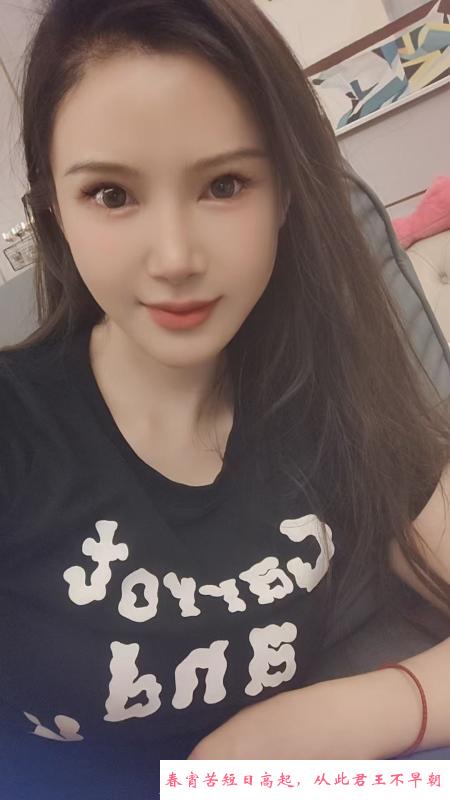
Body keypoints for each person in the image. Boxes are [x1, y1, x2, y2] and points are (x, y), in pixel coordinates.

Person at [1, 0, 449, 797]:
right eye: (112, 195)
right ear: (56, 213)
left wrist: (348, 718)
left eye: (225, 184)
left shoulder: (330, 401)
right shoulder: (18, 426)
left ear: (285, 196)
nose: (175, 257)